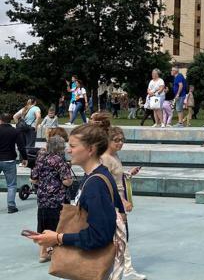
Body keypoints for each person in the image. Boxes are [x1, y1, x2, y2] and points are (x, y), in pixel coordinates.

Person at [31, 122, 126, 278]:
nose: (68, 150)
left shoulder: (96, 184)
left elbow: (99, 235)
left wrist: (57, 238)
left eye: (73, 146)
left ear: (90, 149)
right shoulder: (95, 176)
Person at [98, 120, 146, 280]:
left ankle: (126, 267)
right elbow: (108, 183)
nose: (120, 143)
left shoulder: (115, 156)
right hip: (113, 203)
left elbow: (117, 178)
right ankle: (124, 268)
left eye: (122, 140)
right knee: (120, 236)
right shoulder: (105, 158)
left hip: (119, 200)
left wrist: (129, 174)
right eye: (116, 140)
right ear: (108, 141)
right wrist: (121, 202)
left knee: (121, 237)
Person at [30, 134, 73, 262]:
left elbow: (33, 178)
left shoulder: (41, 158)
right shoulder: (59, 160)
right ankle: (56, 251)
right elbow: (67, 181)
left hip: (43, 197)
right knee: (57, 224)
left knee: (43, 223)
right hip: (57, 198)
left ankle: (43, 253)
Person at [0, 113, 27, 213]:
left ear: (1, 120)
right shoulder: (14, 131)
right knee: (11, 185)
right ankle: (11, 206)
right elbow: (21, 146)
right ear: (10, 120)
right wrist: (24, 158)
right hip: (9, 160)